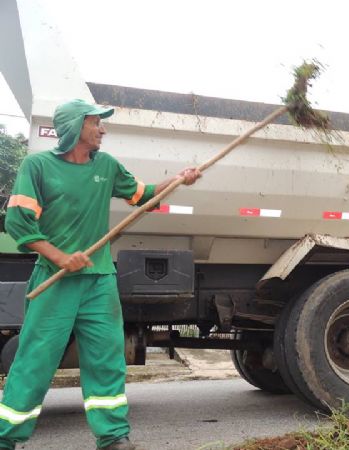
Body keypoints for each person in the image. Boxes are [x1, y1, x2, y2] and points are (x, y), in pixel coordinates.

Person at [1, 99, 201, 450]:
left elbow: (143, 195)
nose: (103, 130)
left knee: (107, 360)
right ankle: (7, 437)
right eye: (96, 123)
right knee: (35, 360)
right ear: (75, 127)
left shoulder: (106, 166)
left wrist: (179, 180)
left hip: (99, 281)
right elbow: (18, 223)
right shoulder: (38, 166)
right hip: (55, 281)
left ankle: (112, 437)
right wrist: (61, 258)